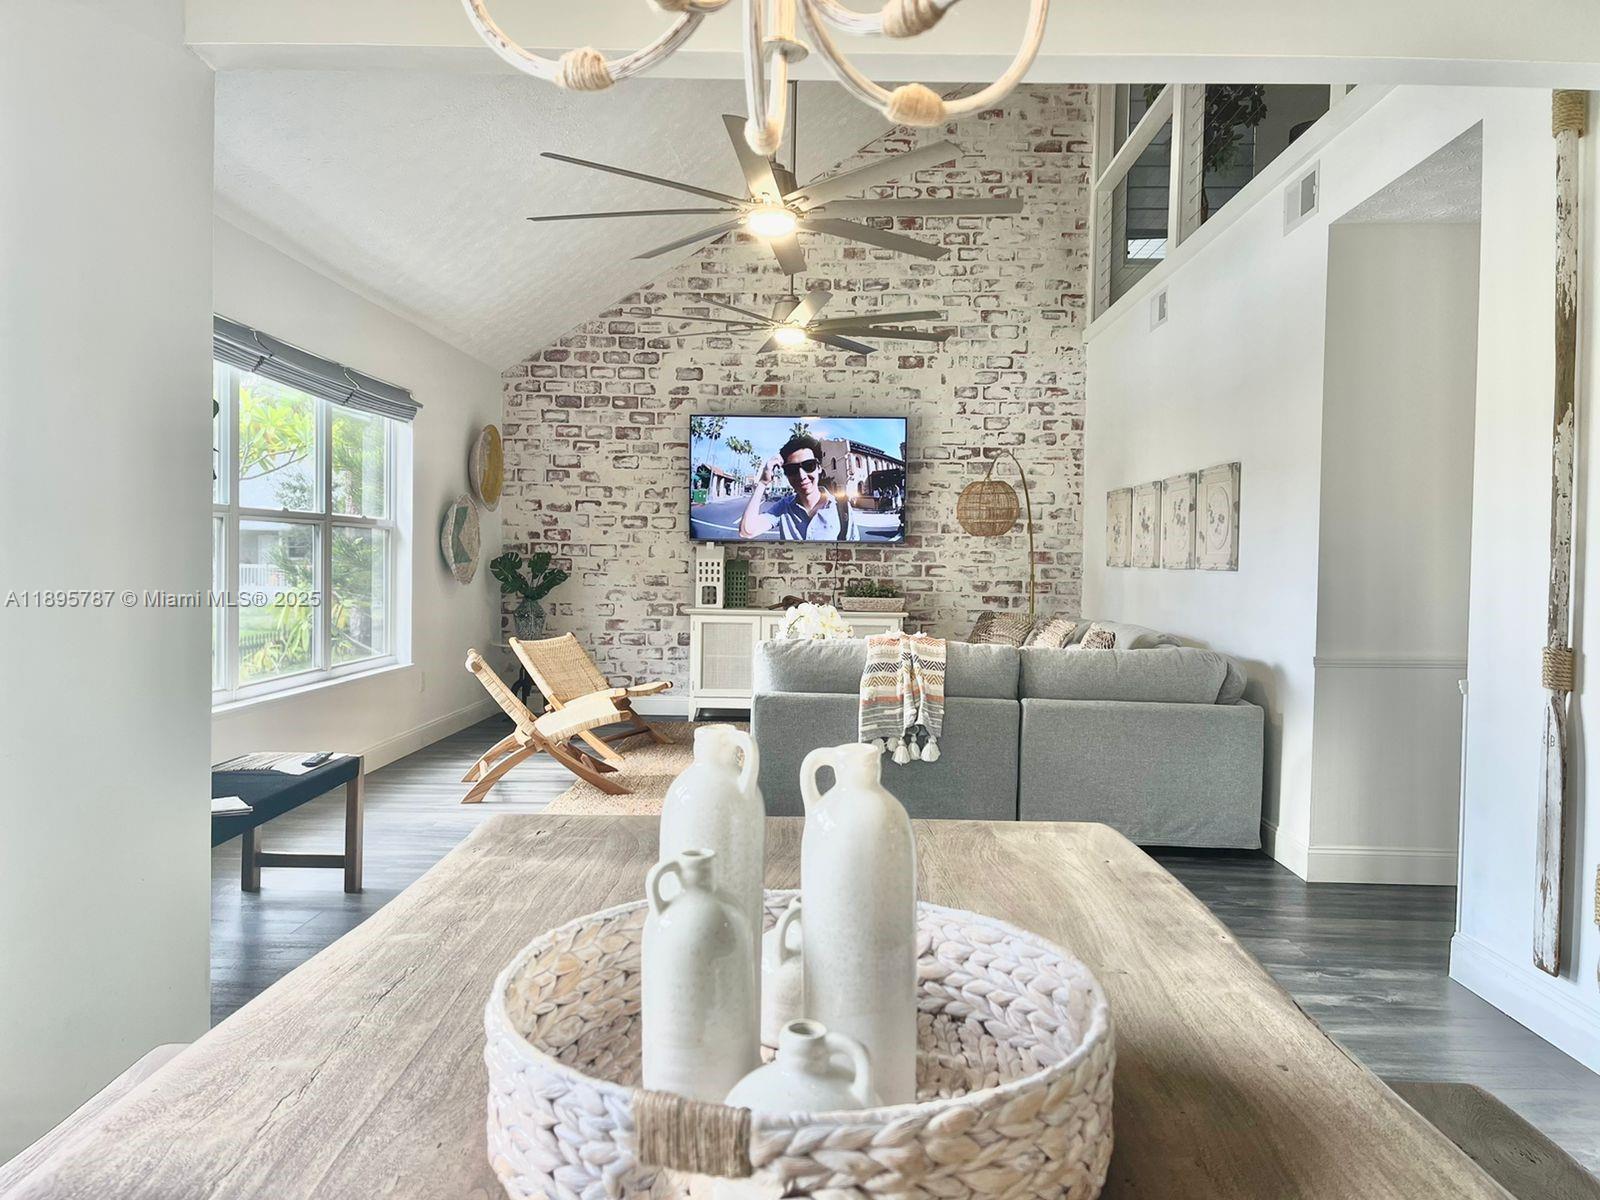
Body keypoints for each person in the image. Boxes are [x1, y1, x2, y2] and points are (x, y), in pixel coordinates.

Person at [738, 434, 861, 541]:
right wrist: (763, 482)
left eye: (809, 465)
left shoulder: (841, 507)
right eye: (792, 469)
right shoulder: (783, 507)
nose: (802, 476)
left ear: (819, 467)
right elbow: (747, 531)